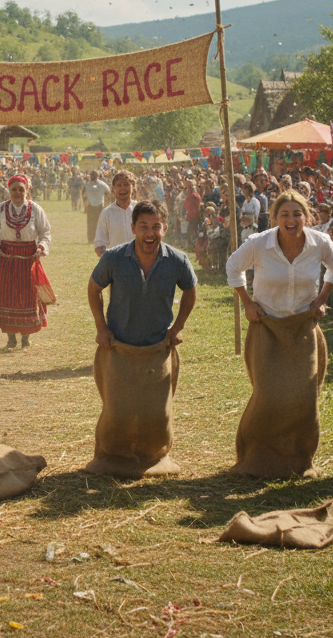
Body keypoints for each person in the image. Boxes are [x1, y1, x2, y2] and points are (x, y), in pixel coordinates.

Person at [225, 190, 333, 478]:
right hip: (267, 325)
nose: (291, 220)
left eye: (297, 214)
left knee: (303, 396)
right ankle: (257, 457)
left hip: (303, 326)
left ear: (307, 217)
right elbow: (233, 267)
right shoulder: (259, 243)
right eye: (285, 214)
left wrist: (321, 299)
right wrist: (247, 303)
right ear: (275, 217)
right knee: (269, 394)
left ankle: (299, 460)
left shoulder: (320, 243)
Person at [85, 199, 197, 477]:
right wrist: (101, 327)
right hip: (119, 347)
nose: (150, 233)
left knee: (156, 415)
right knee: (117, 412)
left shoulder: (178, 260)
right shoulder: (113, 258)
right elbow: (93, 288)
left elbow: (191, 291)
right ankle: (112, 457)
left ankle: (153, 457)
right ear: (133, 227)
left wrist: (178, 326)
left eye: (156, 226)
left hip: (158, 349)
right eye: (144, 226)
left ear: (165, 228)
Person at [0, 175, 53, 349]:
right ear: (8, 190)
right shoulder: (0, 209)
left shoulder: (35, 209)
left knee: (27, 297)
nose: (17, 192)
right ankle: (10, 338)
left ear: (27, 190)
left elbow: (45, 232)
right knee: (7, 296)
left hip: (28, 260)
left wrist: (41, 247)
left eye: (21, 189)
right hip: (6, 259)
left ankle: (26, 337)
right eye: (14, 189)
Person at [93, 170, 135, 257]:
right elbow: (99, 246)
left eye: (126, 184)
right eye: (119, 185)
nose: (123, 188)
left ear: (133, 187)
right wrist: (112, 259)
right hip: (116, 265)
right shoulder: (107, 214)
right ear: (113, 189)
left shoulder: (140, 210)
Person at [83, 170, 111, 243]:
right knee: (101, 223)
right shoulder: (102, 184)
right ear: (98, 176)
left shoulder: (87, 185)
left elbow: (84, 195)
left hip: (91, 206)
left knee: (91, 223)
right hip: (100, 206)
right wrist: (106, 201)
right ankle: (101, 238)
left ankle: (91, 239)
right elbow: (108, 192)